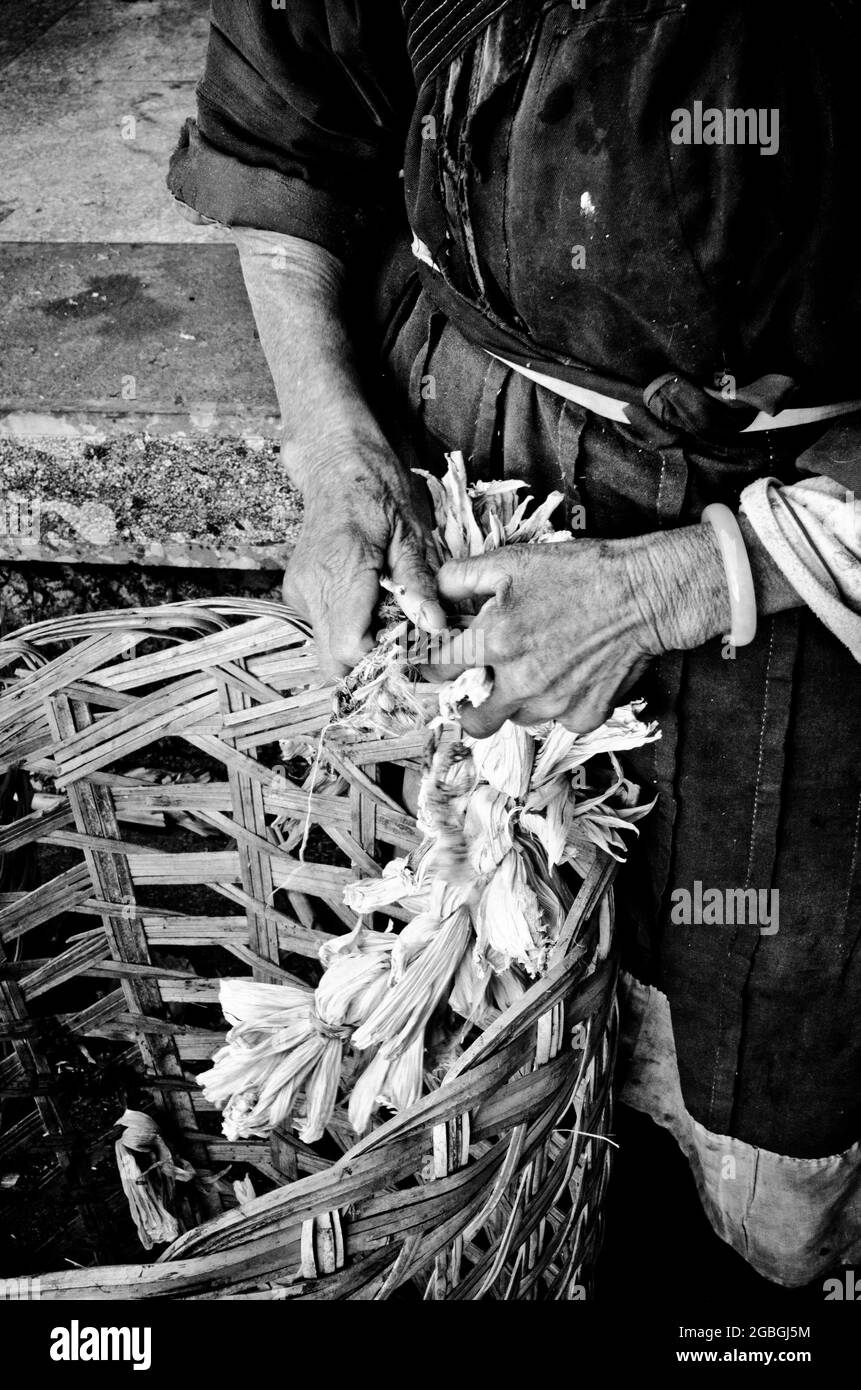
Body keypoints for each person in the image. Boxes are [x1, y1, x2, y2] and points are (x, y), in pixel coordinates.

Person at [169, 0, 861, 1287]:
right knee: (501, 1051)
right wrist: (336, 451)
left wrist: (692, 579)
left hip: (810, 573)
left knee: (761, 1102)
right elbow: (290, 132)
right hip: (481, 463)